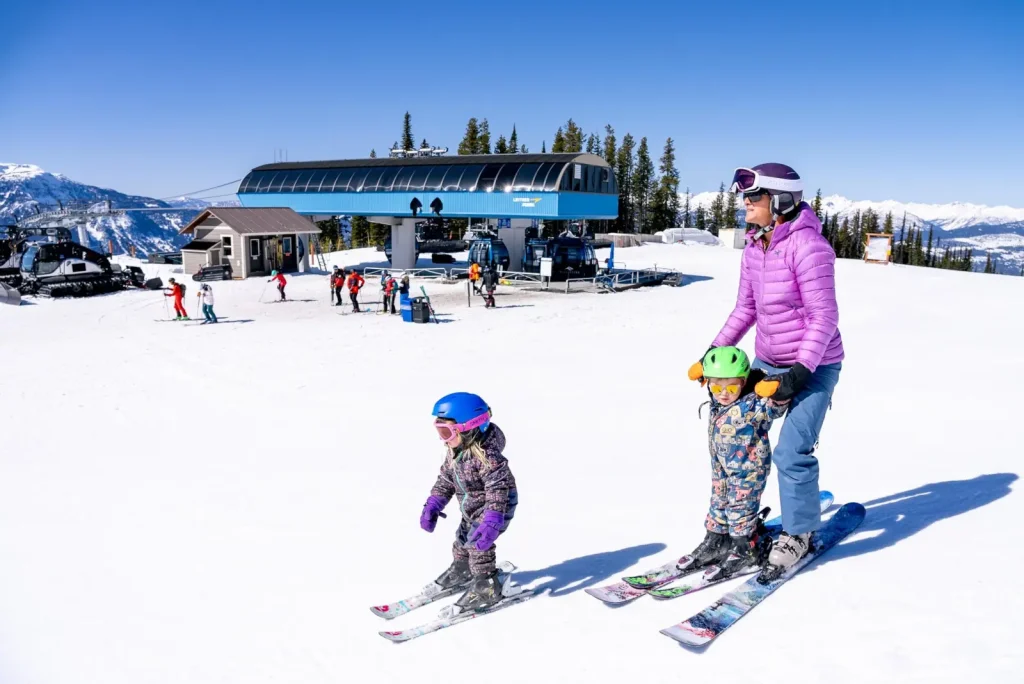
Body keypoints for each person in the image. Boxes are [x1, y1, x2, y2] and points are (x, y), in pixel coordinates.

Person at [689, 162, 844, 580]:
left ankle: (800, 533)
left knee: (791, 451)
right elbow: (746, 309)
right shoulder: (756, 246)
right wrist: (714, 351)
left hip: (813, 366)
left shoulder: (809, 247)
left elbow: (823, 316)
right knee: (738, 438)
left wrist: (798, 372)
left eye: (754, 198)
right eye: (745, 197)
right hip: (767, 360)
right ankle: (741, 524)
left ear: (780, 201)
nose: (745, 205)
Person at [686, 346, 788, 578]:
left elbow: (776, 406)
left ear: (743, 382)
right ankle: (716, 540)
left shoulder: (754, 404)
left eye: (731, 386)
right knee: (718, 502)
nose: (723, 393)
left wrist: (777, 390)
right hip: (721, 467)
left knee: (740, 508)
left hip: (748, 470)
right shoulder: (718, 402)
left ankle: (746, 549)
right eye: (715, 386)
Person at [420, 392, 518, 612]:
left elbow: (498, 489)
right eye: (439, 430)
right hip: (472, 505)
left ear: (469, 428)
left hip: (497, 506)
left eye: (446, 432)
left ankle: (487, 585)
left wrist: (493, 519)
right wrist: (433, 503)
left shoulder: (488, 457)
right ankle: (462, 568)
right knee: (461, 539)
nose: (442, 438)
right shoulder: (456, 452)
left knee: (478, 546)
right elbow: (446, 479)